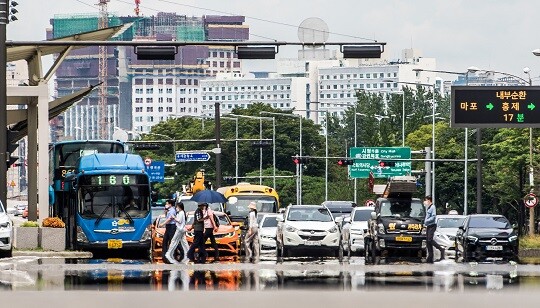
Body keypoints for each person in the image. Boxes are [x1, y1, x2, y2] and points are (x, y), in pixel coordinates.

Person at [424, 195, 445, 263]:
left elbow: (433, 216)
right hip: (428, 226)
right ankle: (430, 257)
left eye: (426, 200)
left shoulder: (433, 207)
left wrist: (426, 221)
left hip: (432, 225)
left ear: (429, 200)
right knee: (427, 241)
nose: (425, 202)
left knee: (430, 240)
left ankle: (441, 249)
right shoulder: (429, 207)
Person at [159, 199, 177, 264]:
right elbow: (166, 216)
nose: (166, 205)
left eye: (167, 204)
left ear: (170, 204)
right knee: (165, 241)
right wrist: (165, 211)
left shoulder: (172, 210)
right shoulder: (169, 210)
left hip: (172, 227)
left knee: (171, 241)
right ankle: (164, 255)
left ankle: (173, 255)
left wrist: (162, 224)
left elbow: (169, 219)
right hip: (168, 227)